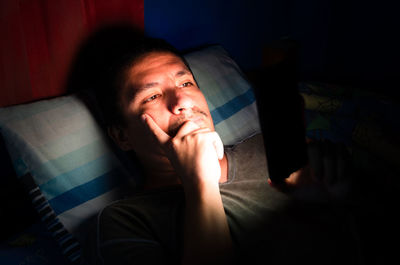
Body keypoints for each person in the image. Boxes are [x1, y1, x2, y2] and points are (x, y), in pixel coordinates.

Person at [86, 36, 361, 265]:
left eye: (186, 83)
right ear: (122, 136)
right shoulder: (124, 221)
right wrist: (200, 181)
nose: (183, 100)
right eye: (152, 96)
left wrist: (338, 198)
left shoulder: (267, 147)